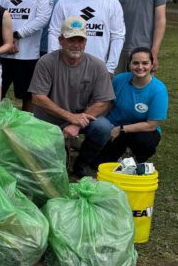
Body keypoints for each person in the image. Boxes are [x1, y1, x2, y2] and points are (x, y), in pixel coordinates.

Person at [29, 17, 116, 178]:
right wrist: (70, 117)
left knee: (103, 127)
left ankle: (81, 163)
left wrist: (75, 124)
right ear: (61, 40)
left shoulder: (97, 65)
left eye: (80, 40)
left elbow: (103, 102)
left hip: (82, 120)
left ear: (85, 42)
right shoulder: (46, 62)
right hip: (49, 121)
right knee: (47, 168)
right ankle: (64, 149)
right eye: (70, 39)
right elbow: (38, 98)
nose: (76, 44)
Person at [0, 0, 53, 111]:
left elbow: (42, 18)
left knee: (28, 97)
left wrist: (16, 35)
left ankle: (24, 130)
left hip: (28, 54)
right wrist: (7, 40)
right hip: (3, 52)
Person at [49, 0, 125, 74]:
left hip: (98, 69)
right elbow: (54, 32)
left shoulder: (112, 3)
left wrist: (110, 68)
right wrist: (54, 62)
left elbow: (118, 37)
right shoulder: (64, 2)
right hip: (66, 67)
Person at [95, 47, 168, 164]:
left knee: (145, 141)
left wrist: (122, 129)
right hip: (113, 126)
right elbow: (108, 104)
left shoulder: (159, 90)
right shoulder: (119, 79)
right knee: (98, 164)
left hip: (139, 130)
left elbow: (152, 125)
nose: (140, 67)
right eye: (135, 63)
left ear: (151, 65)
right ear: (129, 64)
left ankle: (138, 158)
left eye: (145, 63)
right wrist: (100, 123)